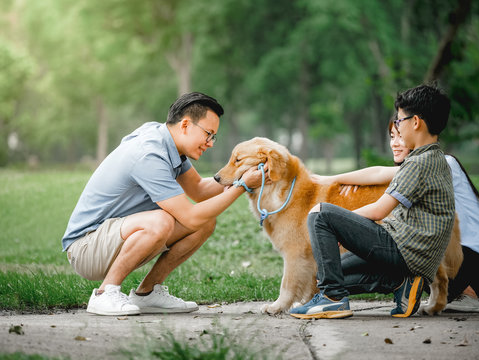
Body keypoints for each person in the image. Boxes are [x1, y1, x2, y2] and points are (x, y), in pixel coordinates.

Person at [62, 92, 265, 316]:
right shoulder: (149, 154)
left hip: (113, 236)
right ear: (186, 124)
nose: (210, 144)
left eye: (213, 137)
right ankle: (104, 294)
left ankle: (147, 294)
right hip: (86, 247)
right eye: (208, 134)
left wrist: (241, 173)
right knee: (161, 221)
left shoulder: (167, 142)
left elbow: (198, 190)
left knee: (204, 222)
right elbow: (189, 215)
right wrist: (242, 186)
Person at [290, 84, 455, 319]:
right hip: (413, 258)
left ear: (415, 122)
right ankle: (401, 284)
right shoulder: (432, 157)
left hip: (404, 250)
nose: (397, 127)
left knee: (320, 214)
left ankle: (333, 300)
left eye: (399, 121)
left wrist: (338, 227)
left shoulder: (419, 163)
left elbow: (379, 211)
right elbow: (377, 174)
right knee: (330, 274)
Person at [319, 120, 479, 313]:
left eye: (401, 136)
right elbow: (380, 175)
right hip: (440, 252)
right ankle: (399, 283)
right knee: (336, 272)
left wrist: (333, 186)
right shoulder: (416, 168)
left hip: (469, 258)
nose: (395, 143)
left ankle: (468, 294)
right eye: (392, 136)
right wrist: (340, 181)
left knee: (379, 262)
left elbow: (379, 174)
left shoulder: (441, 163)